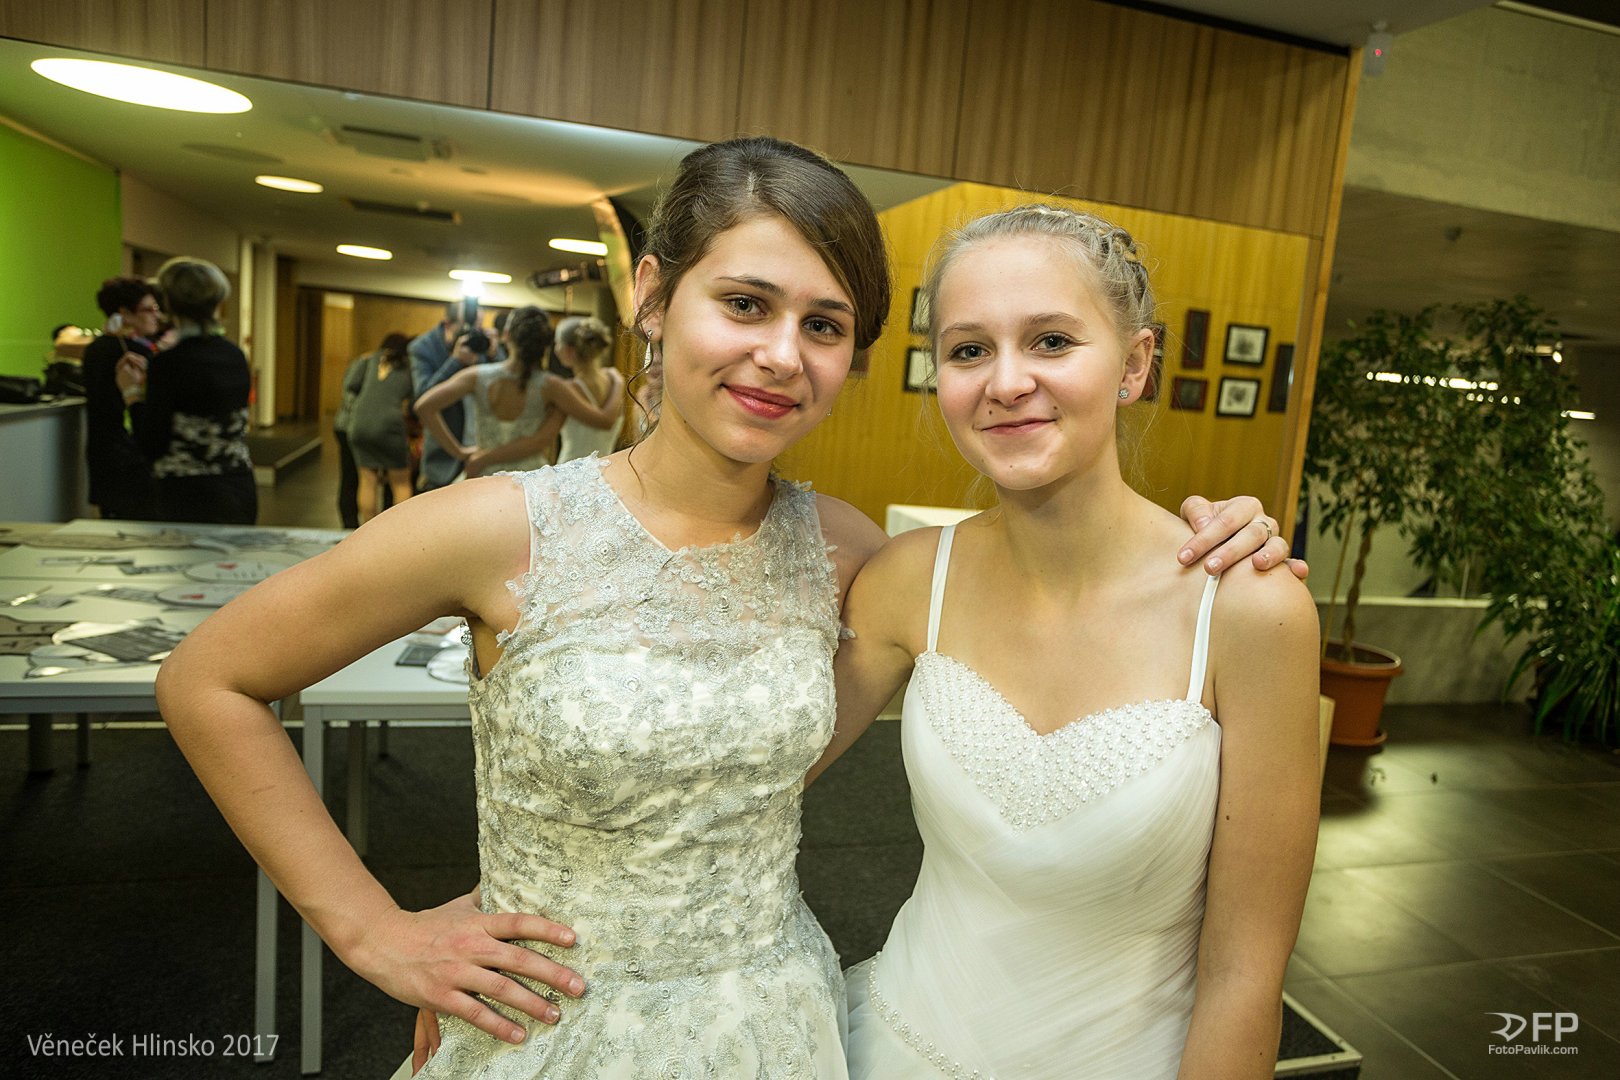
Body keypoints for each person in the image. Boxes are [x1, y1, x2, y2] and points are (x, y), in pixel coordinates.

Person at [154, 138, 1293, 1080]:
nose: (779, 356)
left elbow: (727, 795)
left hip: (772, 1029)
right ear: (653, 297)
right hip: (555, 1030)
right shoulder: (498, 527)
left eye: (825, 325)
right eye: (745, 303)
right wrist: (378, 932)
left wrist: (1228, 537)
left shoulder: (850, 553)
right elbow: (209, 677)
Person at [819, 205, 1321, 1078]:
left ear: (1135, 363)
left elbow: (1245, 975)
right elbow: (738, 789)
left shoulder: (1246, 608)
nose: (1007, 381)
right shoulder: (907, 580)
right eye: (968, 350)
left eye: (1051, 341)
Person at [115, 257, 256, 524]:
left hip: (186, 494)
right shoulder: (235, 355)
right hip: (238, 486)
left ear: (168, 302)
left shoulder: (169, 363)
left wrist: (131, 392)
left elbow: (151, 443)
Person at [415, 307, 620, 478]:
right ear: (544, 345)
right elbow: (542, 440)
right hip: (529, 478)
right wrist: (619, 381)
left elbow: (424, 407)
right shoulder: (552, 386)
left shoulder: (476, 376)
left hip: (483, 474)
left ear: (506, 336)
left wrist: (459, 451)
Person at [81, 277, 161, 519]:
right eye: (149, 309)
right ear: (125, 313)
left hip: (104, 458)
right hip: (133, 458)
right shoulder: (137, 354)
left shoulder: (95, 350)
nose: (157, 316)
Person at [344, 333, 416, 523]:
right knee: (400, 482)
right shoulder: (408, 366)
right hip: (389, 424)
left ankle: (368, 528)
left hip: (359, 422)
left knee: (367, 480)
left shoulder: (370, 359)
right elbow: (414, 398)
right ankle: (401, 529)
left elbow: (351, 384)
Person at [407, 301, 472, 491]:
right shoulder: (423, 348)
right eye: (466, 325)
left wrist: (494, 354)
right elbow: (422, 397)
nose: (472, 332)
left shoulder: (479, 346)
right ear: (448, 324)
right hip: (443, 454)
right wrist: (455, 360)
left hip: (480, 453)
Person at [553, 316, 624, 462]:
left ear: (569, 350)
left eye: (557, 343)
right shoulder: (614, 380)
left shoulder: (569, 389)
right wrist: (619, 382)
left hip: (571, 470)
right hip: (605, 470)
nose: (555, 349)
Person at [333, 351, 368, 529]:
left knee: (353, 478)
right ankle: (349, 524)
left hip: (351, 426)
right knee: (351, 477)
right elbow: (349, 392)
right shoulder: (365, 362)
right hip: (348, 427)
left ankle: (351, 525)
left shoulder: (368, 361)